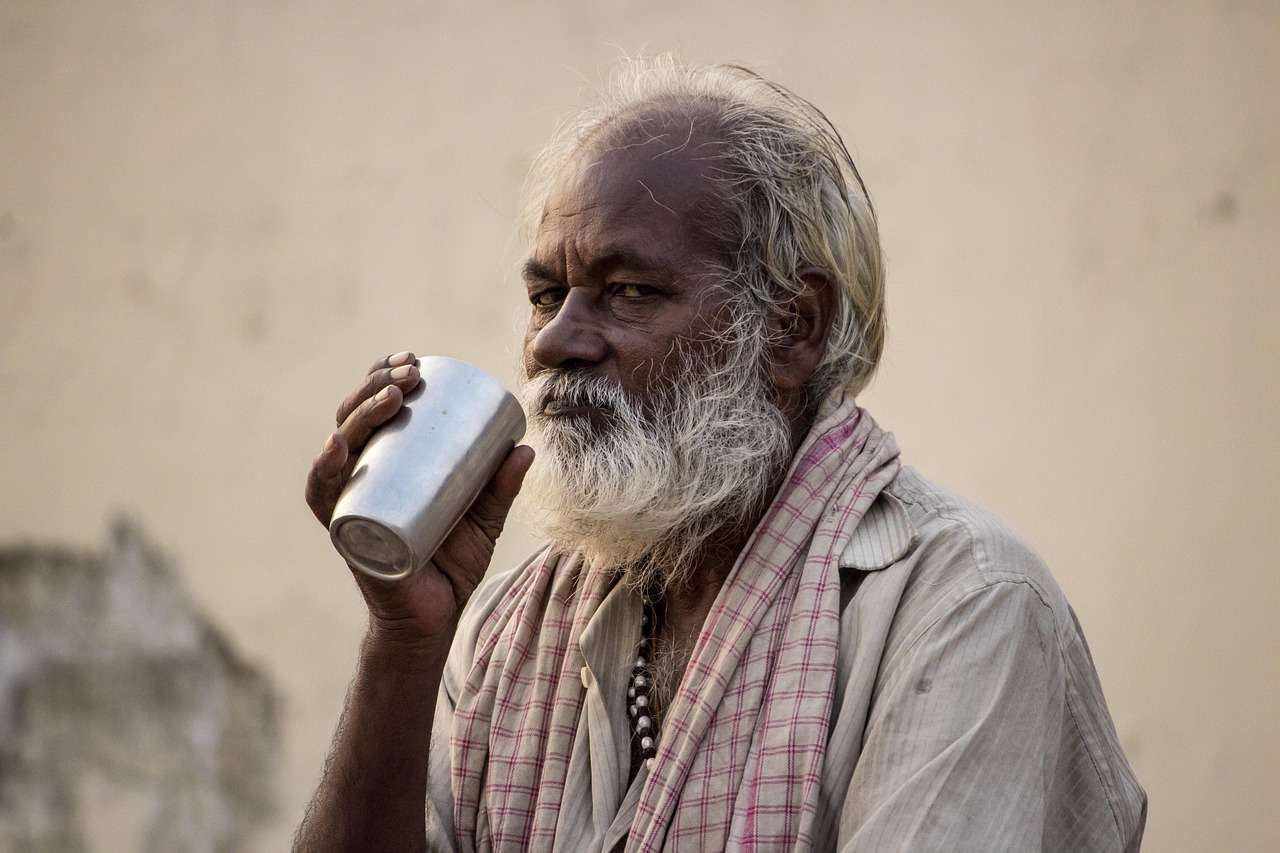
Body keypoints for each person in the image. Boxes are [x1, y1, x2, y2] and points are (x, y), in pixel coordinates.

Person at [296, 59, 1146, 852]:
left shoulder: (963, 605)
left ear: (791, 327)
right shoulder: (519, 625)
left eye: (629, 292)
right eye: (547, 296)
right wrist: (402, 641)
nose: (554, 342)